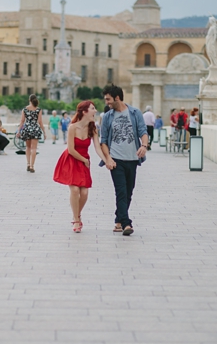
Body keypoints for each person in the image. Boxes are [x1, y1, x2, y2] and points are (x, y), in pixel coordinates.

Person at [100, 84, 148, 236]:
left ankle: (118, 218)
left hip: (133, 159)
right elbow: (104, 141)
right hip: (116, 160)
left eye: (108, 99)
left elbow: (143, 131)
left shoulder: (135, 113)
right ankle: (126, 223)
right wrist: (108, 158)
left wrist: (144, 146)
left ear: (117, 98)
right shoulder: (107, 117)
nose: (106, 102)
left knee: (128, 192)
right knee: (120, 191)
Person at [53, 100, 108, 233]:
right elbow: (71, 150)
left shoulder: (93, 127)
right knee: (75, 190)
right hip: (72, 159)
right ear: (84, 112)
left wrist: (106, 160)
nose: (95, 111)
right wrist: (84, 159)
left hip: (84, 161)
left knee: (84, 192)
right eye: (93, 109)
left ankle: (76, 214)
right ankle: (77, 220)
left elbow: (97, 147)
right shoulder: (73, 127)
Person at [17, 94, 45, 172]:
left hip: (27, 129)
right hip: (35, 129)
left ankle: (28, 164)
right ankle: (32, 166)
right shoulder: (38, 109)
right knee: (34, 148)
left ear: (29, 100)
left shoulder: (25, 109)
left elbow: (22, 121)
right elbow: (40, 121)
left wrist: (19, 131)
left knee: (28, 147)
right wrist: (44, 132)